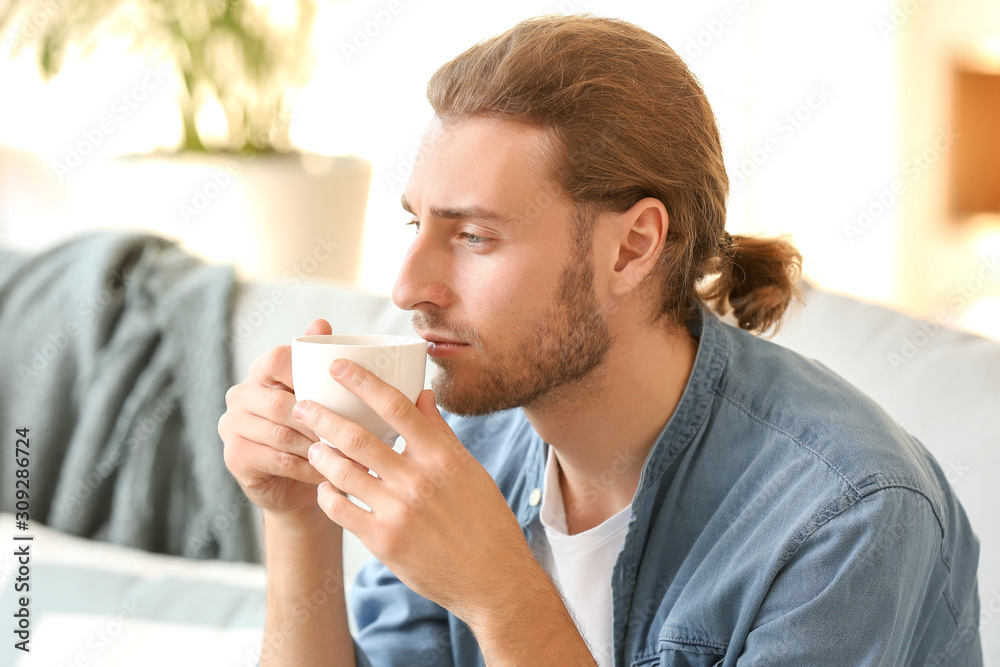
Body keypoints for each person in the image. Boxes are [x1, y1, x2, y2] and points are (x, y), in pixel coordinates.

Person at [219, 14, 983, 666]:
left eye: (475, 235)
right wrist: (298, 521)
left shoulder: (850, 513)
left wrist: (502, 594)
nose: (408, 286)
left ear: (632, 248)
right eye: (418, 225)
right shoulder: (466, 440)